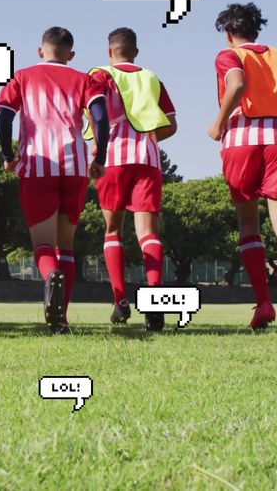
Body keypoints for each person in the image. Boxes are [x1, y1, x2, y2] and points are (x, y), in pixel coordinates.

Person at [0, 27, 109, 334]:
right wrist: (99, 158)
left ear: (40, 50)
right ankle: (63, 318)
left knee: (43, 245)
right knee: (66, 246)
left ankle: (50, 275)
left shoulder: (22, 76)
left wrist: (7, 154)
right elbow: (100, 119)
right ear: (70, 54)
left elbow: (4, 116)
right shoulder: (85, 79)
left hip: (37, 165)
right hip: (74, 166)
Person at [207, 3, 277, 338]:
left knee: (248, 224)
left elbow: (236, 84)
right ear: (257, 30)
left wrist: (218, 123)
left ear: (228, 34)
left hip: (240, 143)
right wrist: (275, 120)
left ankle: (263, 303)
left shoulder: (229, 56)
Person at [85, 27, 178, 332]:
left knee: (113, 230)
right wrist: (148, 139)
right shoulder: (152, 78)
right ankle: (153, 298)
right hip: (147, 160)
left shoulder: (99, 76)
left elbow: (93, 117)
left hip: (112, 160)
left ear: (109, 51)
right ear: (135, 51)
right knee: (148, 234)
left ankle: (120, 300)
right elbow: (171, 124)